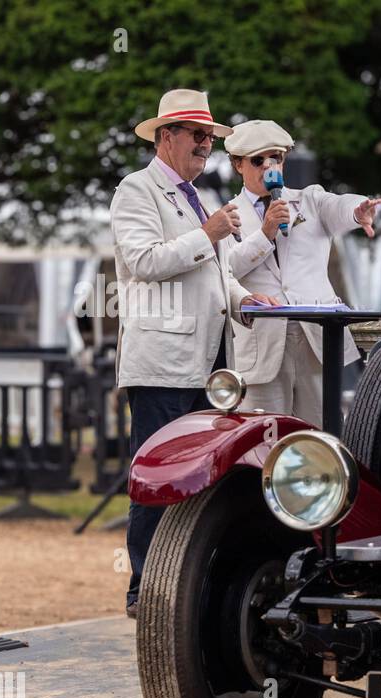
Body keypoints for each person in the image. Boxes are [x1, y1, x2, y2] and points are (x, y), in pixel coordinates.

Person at [110, 90, 278, 619]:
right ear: (166, 137)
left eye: (210, 136)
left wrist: (247, 301)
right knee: (157, 476)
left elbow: (218, 275)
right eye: (198, 135)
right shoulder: (136, 190)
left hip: (205, 362)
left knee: (200, 477)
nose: (207, 144)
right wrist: (207, 234)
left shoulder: (193, 196)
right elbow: (144, 262)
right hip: (162, 361)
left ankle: (184, 584)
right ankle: (145, 590)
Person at [223, 119, 381, 423]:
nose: (268, 167)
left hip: (315, 339)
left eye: (277, 158)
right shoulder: (226, 214)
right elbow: (224, 269)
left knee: (320, 434)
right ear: (237, 164)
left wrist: (358, 209)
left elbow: (338, 206)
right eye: (258, 160)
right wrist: (265, 234)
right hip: (262, 344)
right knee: (263, 436)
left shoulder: (308, 199)